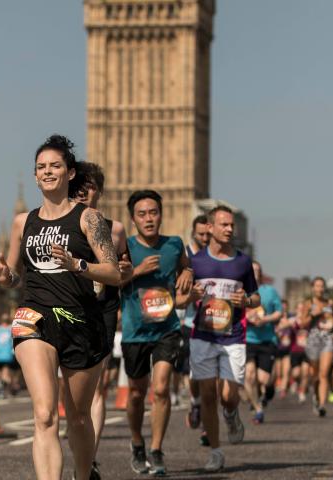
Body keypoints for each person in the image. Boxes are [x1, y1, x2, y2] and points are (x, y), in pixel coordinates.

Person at [0, 135, 120, 480]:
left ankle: (83, 473)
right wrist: (4, 277)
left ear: (70, 173)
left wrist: (79, 266)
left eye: (55, 166)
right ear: (35, 175)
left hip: (80, 320)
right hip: (34, 316)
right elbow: (16, 277)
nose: (47, 172)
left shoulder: (89, 220)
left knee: (79, 417)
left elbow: (114, 272)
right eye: (41, 167)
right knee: (44, 414)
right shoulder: (22, 222)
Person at [119, 189, 193, 476]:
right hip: (135, 330)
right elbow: (110, 282)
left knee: (161, 388)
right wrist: (136, 272)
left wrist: (188, 273)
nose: (148, 218)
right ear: (133, 219)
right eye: (142, 214)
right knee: (137, 394)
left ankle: (157, 449)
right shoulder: (123, 247)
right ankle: (137, 442)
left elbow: (185, 267)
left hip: (167, 328)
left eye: (153, 212)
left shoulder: (174, 244)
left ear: (161, 214)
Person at [186, 205, 260, 472]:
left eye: (232, 225)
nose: (230, 229)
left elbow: (256, 297)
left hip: (233, 336)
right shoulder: (195, 263)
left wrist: (247, 300)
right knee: (207, 395)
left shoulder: (242, 262)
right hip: (202, 335)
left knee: (228, 395)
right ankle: (215, 451)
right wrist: (191, 297)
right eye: (224, 225)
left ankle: (231, 414)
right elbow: (180, 299)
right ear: (210, 227)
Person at [74, 161, 131, 480]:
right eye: (80, 183)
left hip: (102, 311)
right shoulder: (57, 224)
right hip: (66, 309)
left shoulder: (116, 229)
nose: (84, 189)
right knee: (65, 395)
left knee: (97, 390)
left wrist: (124, 273)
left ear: (100, 192)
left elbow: (124, 273)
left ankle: (88, 460)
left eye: (91, 185)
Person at [180, 215, 210, 432]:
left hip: (214, 323)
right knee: (192, 372)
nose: (206, 238)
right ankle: (195, 401)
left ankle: (209, 429)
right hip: (189, 321)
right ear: (193, 233)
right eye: (201, 234)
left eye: (209, 234)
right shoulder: (185, 256)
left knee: (211, 378)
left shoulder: (218, 256)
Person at [244, 261, 282, 424]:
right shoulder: (241, 292)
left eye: (257, 270)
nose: (254, 273)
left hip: (267, 340)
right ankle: (258, 409)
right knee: (249, 376)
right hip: (247, 339)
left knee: (263, 380)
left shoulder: (270, 292)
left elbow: (279, 313)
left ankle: (270, 389)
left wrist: (264, 319)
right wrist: (246, 317)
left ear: (261, 273)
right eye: (251, 270)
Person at [301, 277, 333, 417]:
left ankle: (322, 405)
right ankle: (315, 395)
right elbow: (303, 323)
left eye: (322, 286)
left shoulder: (330, 303)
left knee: (324, 373)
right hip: (313, 339)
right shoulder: (308, 304)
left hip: (327, 338)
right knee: (315, 376)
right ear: (313, 288)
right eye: (317, 286)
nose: (320, 288)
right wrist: (313, 315)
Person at [0, 312, 21, 397]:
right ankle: (7, 388)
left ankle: (1, 388)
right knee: (6, 374)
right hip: (8, 355)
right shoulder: (12, 329)